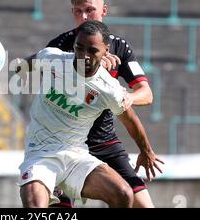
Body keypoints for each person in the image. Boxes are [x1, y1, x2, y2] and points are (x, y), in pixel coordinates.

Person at [17, 20, 163, 208]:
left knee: (124, 194)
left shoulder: (108, 88)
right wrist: (14, 69)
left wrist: (146, 151)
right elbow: (24, 65)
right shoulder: (53, 58)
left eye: (92, 51)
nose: (84, 56)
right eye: (79, 48)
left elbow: (131, 121)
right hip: (40, 153)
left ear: (106, 51)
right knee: (34, 206)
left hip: (76, 155)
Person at [46, 0, 158, 208]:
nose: (84, 17)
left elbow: (146, 93)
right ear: (72, 12)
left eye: (90, 10)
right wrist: (93, 70)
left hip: (104, 143)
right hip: (65, 144)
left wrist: (126, 97)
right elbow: (52, 96)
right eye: (78, 11)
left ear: (103, 10)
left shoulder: (120, 48)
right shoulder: (59, 48)